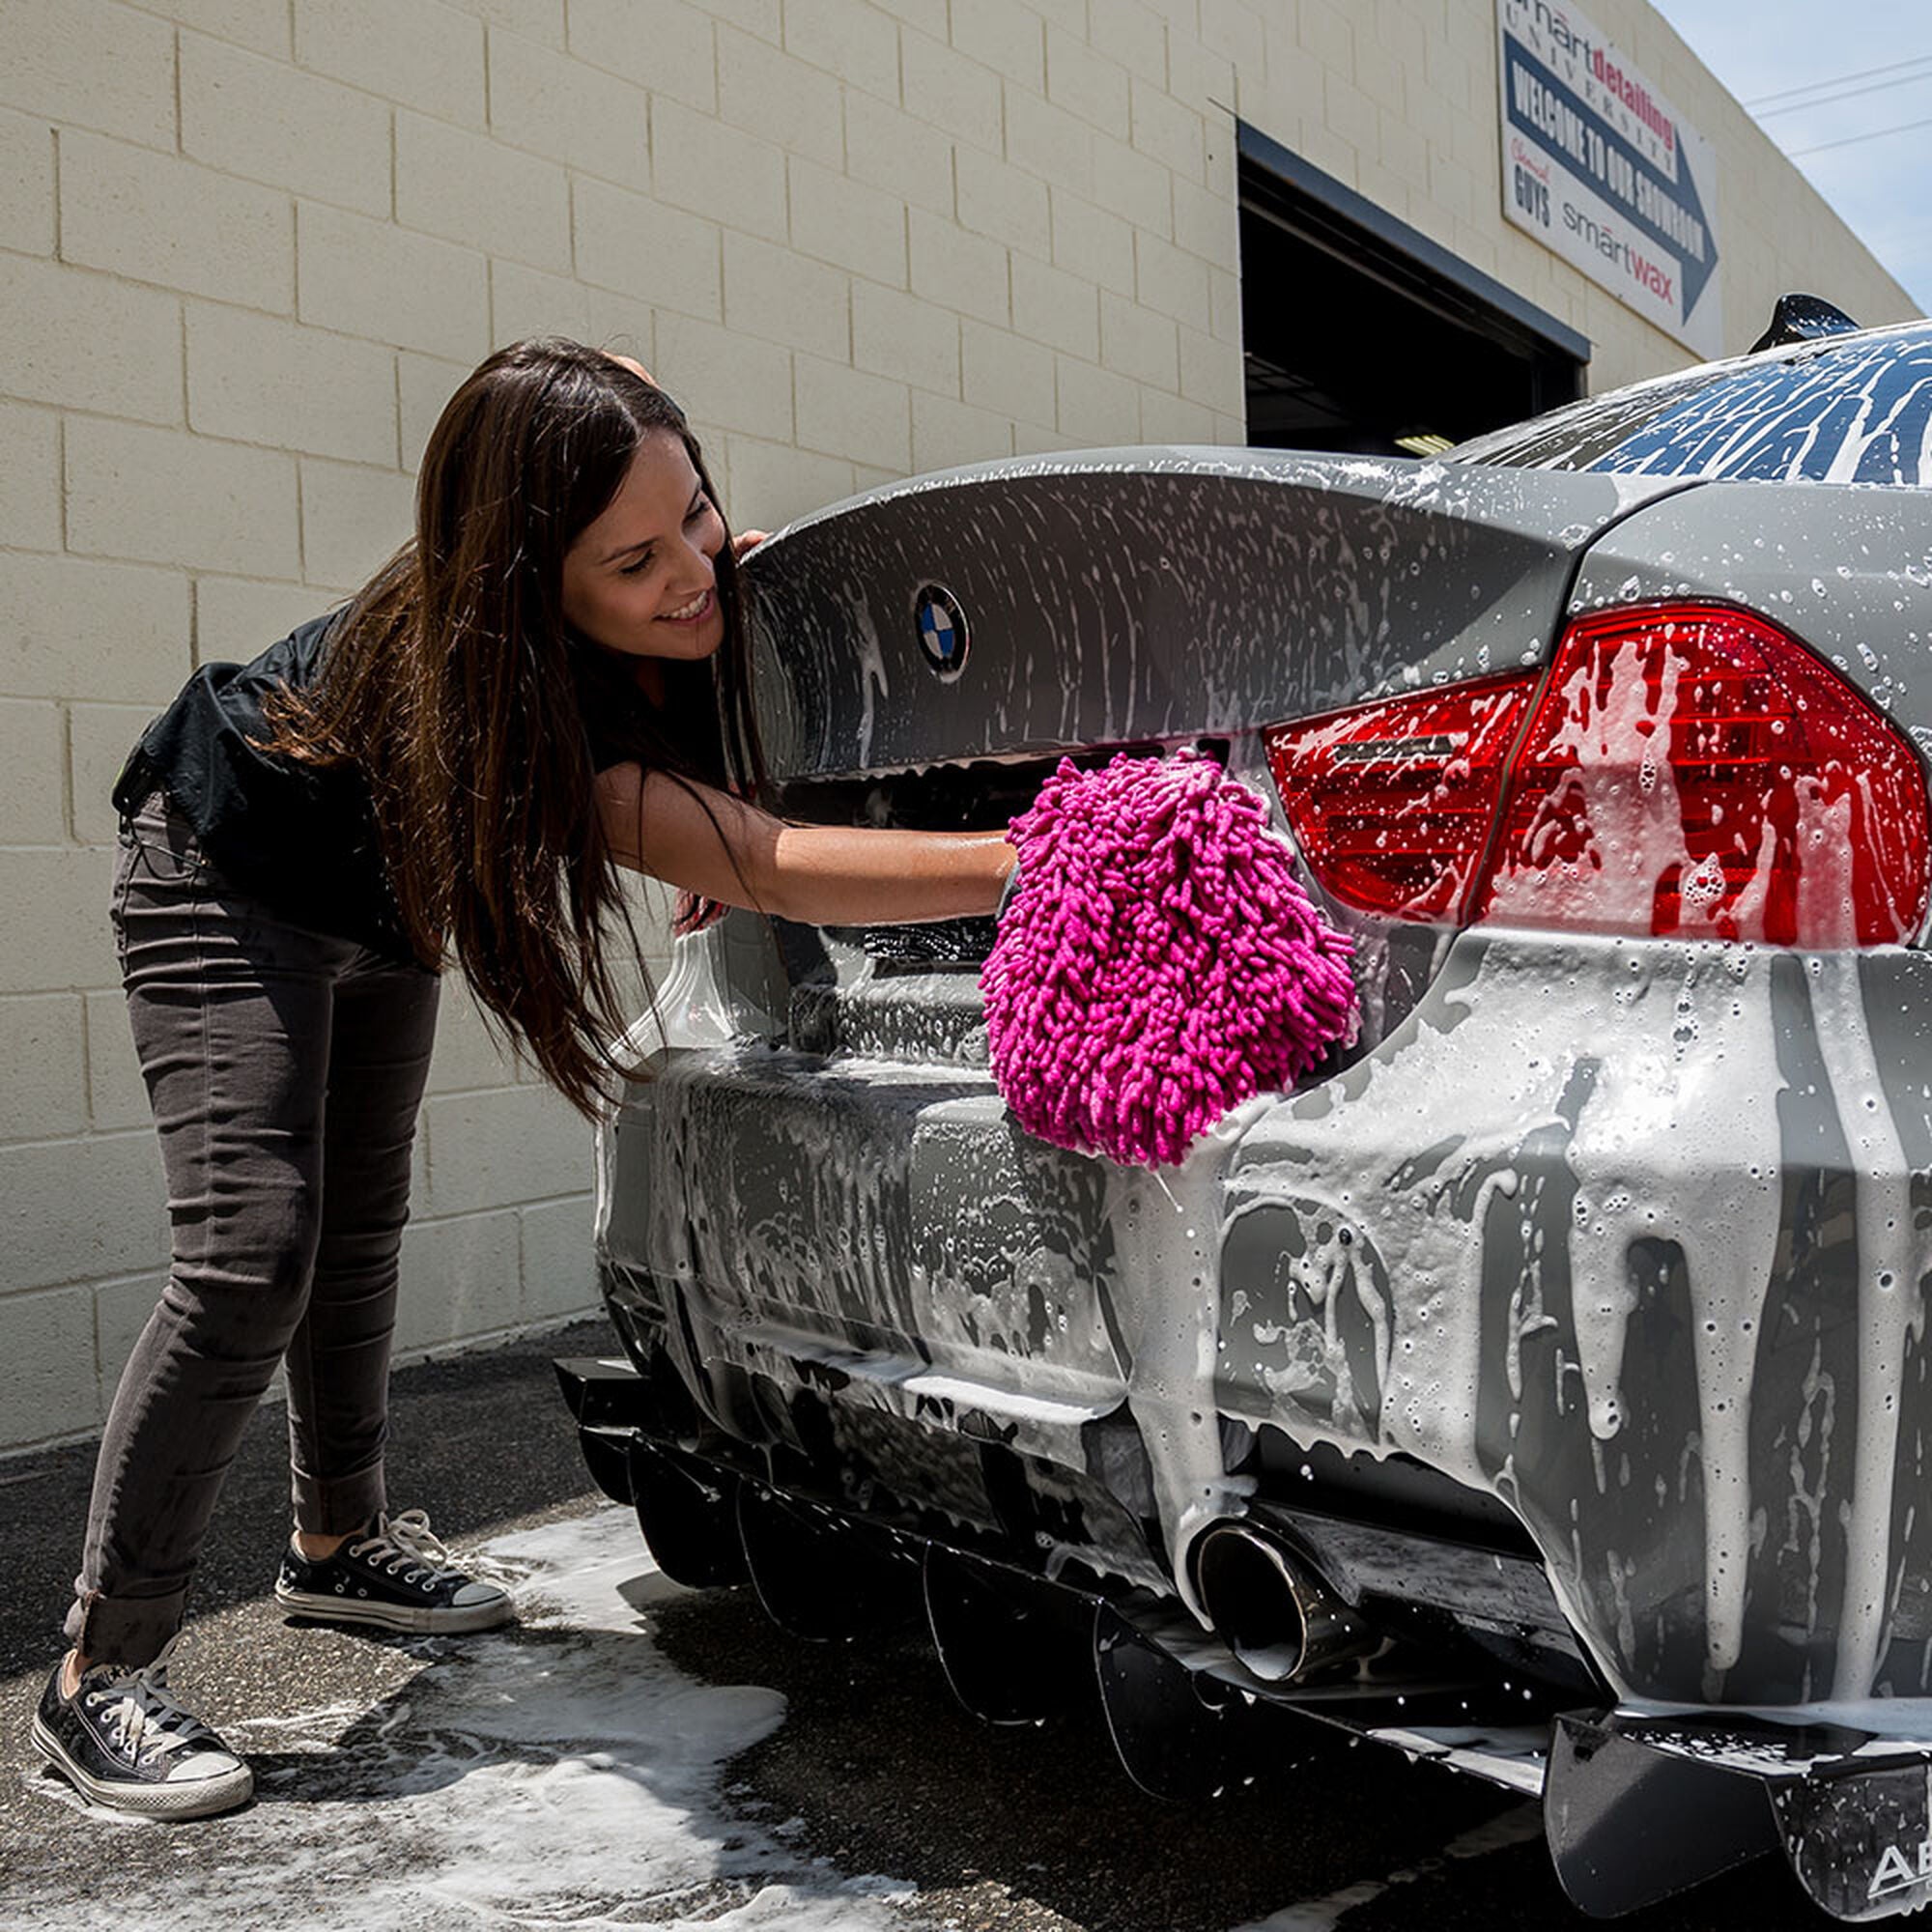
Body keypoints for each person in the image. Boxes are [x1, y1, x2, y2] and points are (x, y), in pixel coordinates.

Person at [31, 338, 1016, 1820]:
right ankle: (95, 1668)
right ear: (529, 579)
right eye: (634, 562)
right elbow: (772, 864)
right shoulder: (518, 708)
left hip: (381, 903)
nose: (692, 571)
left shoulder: (617, 535)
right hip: (224, 861)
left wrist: (679, 521)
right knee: (253, 1253)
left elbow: (603, 378)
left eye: (694, 515)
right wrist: (1032, 855)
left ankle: (339, 1546)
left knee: (362, 1229)